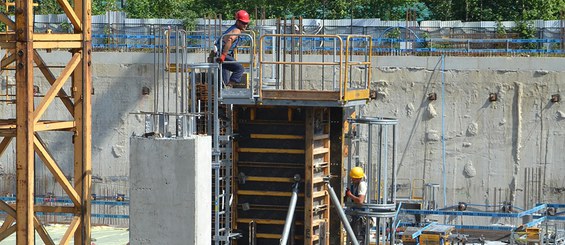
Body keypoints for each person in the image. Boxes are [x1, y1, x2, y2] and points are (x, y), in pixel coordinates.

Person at [215, 10, 250, 88]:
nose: (245, 25)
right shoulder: (236, 30)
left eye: (246, 23)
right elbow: (230, 39)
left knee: (223, 80)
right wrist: (224, 55)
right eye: (243, 23)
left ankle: (223, 91)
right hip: (222, 54)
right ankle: (229, 86)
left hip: (219, 54)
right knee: (239, 69)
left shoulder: (232, 28)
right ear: (237, 21)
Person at [345, 166, 367, 244]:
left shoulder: (362, 185)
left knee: (358, 238)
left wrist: (350, 195)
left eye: (353, 178)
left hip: (360, 216)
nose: (352, 179)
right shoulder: (355, 184)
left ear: (358, 178)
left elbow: (360, 201)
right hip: (355, 214)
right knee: (353, 236)